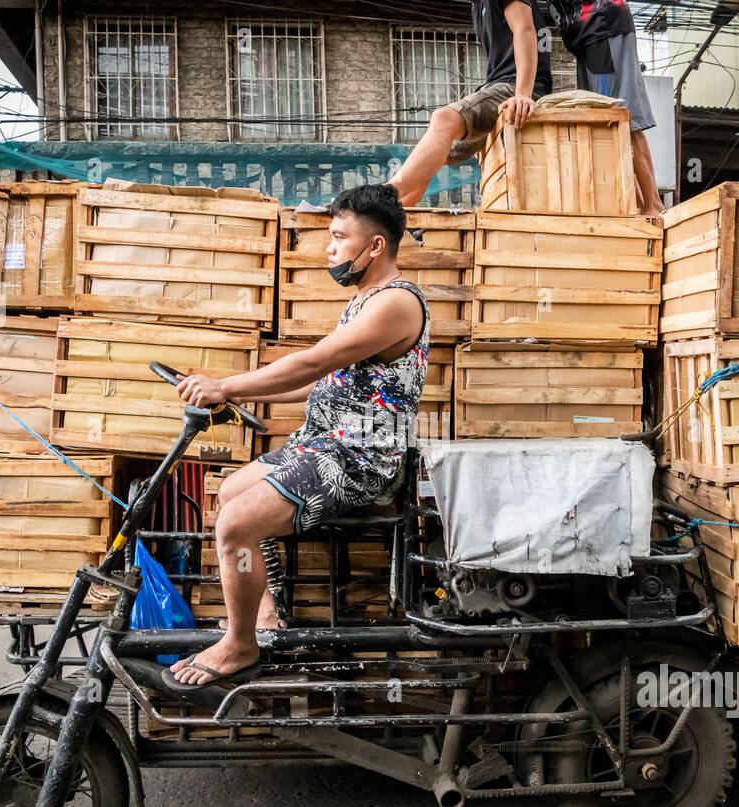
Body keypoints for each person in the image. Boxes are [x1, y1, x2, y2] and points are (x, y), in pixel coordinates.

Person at [166, 185, 429, 689]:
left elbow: (314, 361)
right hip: (321, 442)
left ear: (374, 246)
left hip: (358, 457)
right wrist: (242, 397)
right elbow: (328, 378)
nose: (328, 249)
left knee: (237, 525)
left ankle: (239, 647)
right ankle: (263, 612)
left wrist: (226, 384)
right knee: (229, 493)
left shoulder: (395, 302)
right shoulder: (367, 298)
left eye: (338, 237)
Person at [387, 0, 553, 207]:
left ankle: (385, 196)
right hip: (500, 87)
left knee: (444, 119)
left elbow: (524, 28)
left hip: (515, 89)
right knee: (434, 152)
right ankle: (396, 215)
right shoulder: (479, 5)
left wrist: (523, 94)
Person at [548, 0, 664, 216]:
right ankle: (639, 205)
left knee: (619, 115)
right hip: (586, 34)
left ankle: (653, 204)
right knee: (606, 124)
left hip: (600, 25)